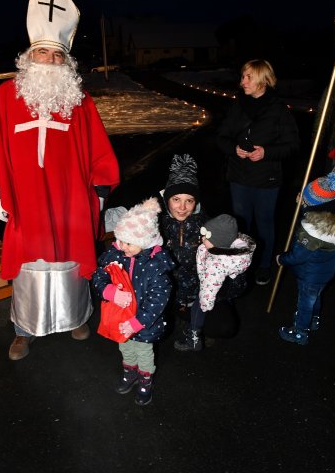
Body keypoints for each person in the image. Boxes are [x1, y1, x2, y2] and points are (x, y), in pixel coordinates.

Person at [0, 0, 120, 361]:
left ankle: (75, 317)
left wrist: (99, 192)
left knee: (70, 258)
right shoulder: (6, 95)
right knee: (29, 264)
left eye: (57, 55)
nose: (49, 61)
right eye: (42, 53)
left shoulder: (80, 101)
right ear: (29, 57)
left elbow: (100, 149)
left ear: (66, 62)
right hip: (25, 198)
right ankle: (24, 329)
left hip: (70, 199)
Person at [216, 59, 299, 286]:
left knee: (264, 223)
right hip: (239, 176)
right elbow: (221, 137)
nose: (242, 81)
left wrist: (267, 152)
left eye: (248, 77)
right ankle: (241, 265)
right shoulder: (237, 105)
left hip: (267, 178)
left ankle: (263, 265)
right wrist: (233, 149)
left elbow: (292, 145)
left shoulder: (278, 109)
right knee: (242, 224)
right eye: (242, 76)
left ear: (262, 80)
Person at [92, 197, 174, 406]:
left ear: (145, 240)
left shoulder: (156, 266)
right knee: (125, 347)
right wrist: (110, 291)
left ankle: (145, 380)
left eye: (128, 242)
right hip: (120, 317)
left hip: (144, 322)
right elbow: (99, 275)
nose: (122, 246)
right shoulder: (117, 252)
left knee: (144, 352)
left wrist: (137, 322)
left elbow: (158, 299)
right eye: (119, 240)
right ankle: (130, 372)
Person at [277, 172, 335, 345]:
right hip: (325, 272)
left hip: (309, 274)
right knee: (315, 296)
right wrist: (305, 205)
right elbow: (315, 214)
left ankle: (300, 332)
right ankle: (313, 319)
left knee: (305, 302)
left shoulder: (311, 231)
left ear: (312, 205)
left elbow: (298, 255)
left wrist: (282, 259)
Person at [174, 214, 255, 352]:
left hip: (210, 291)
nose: (202, 238)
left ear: (218, 242)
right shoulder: (231, 248)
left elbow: (209, 287)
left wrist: (205, 302)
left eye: (207, 237)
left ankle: (193, 338)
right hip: (222, 291)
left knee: (198, 308)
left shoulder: (216, 263)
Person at [159, 153, 208, 320]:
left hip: (197, 294)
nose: (182, 207)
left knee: (222, 325)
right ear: (167, 200)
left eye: (189, 200)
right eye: (176, 199)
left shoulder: (208, 226)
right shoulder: (155, 224)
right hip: (164, 293)